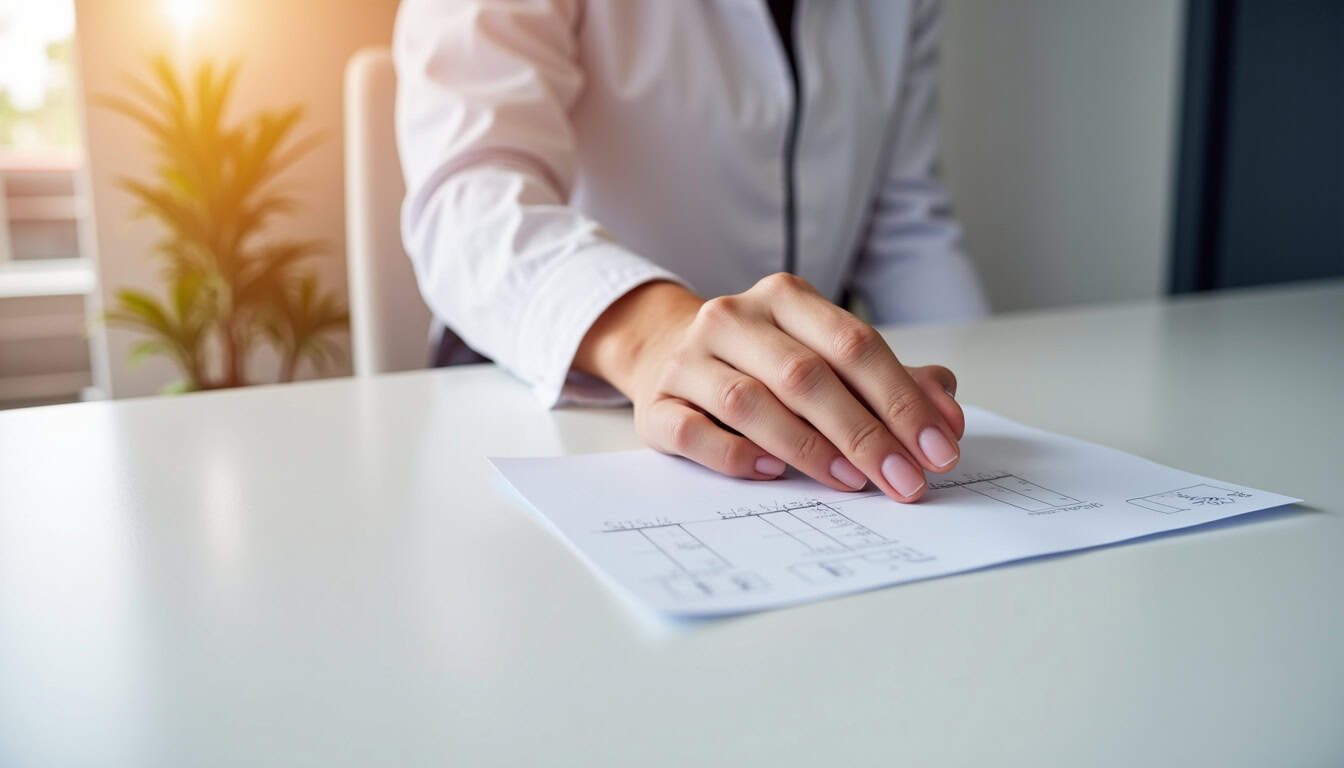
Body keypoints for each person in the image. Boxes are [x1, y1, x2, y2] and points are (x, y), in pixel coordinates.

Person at [394, 0, 988, 502]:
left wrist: (988, 401)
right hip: (542, 394)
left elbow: (906, 223)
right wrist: (652, 336)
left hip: (797, 421)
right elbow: (468, 199)